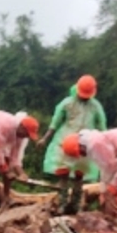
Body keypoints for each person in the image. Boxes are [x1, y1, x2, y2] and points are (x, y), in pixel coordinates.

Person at [39, 75, 107, 214]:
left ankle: (75, 205)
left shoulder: (95, 106)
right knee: (63, 174)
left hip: (84, 144)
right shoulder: (67, 103)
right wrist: (45, 138)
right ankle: (62, 204)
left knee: (79, 176)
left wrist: (106, 144)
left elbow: (102, 127)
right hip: (65, 142)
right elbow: (55, 123)